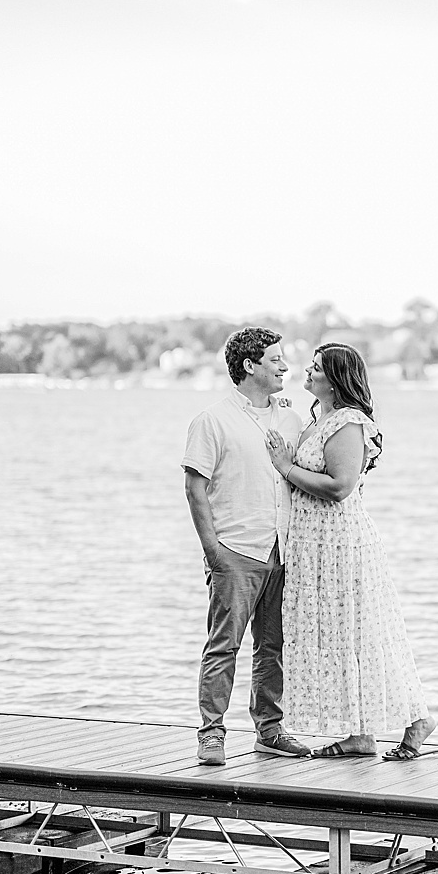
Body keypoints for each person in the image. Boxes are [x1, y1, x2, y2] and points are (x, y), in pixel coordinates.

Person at [265, 343, 436, 760]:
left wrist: (286, 468)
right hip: (312, 546)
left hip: (340, 545)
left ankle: (418, 719)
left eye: (317, 367)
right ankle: (360, 734)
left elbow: (340, 487)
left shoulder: (347, 423)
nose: (307, 370)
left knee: (363, 636)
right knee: (341, 640)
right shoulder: (318, 419)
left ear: (336, 379)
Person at [182, 327, 313, 766]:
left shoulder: (292, 419)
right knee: (224, 645)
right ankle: (211, 733)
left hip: (283, 549)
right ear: (249, 366)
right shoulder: (212, 421)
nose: (285, 367)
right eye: (275, 360)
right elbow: (194, 489)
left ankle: (270, 730)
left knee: (273, 646)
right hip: (235, 551)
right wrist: (212, 551)